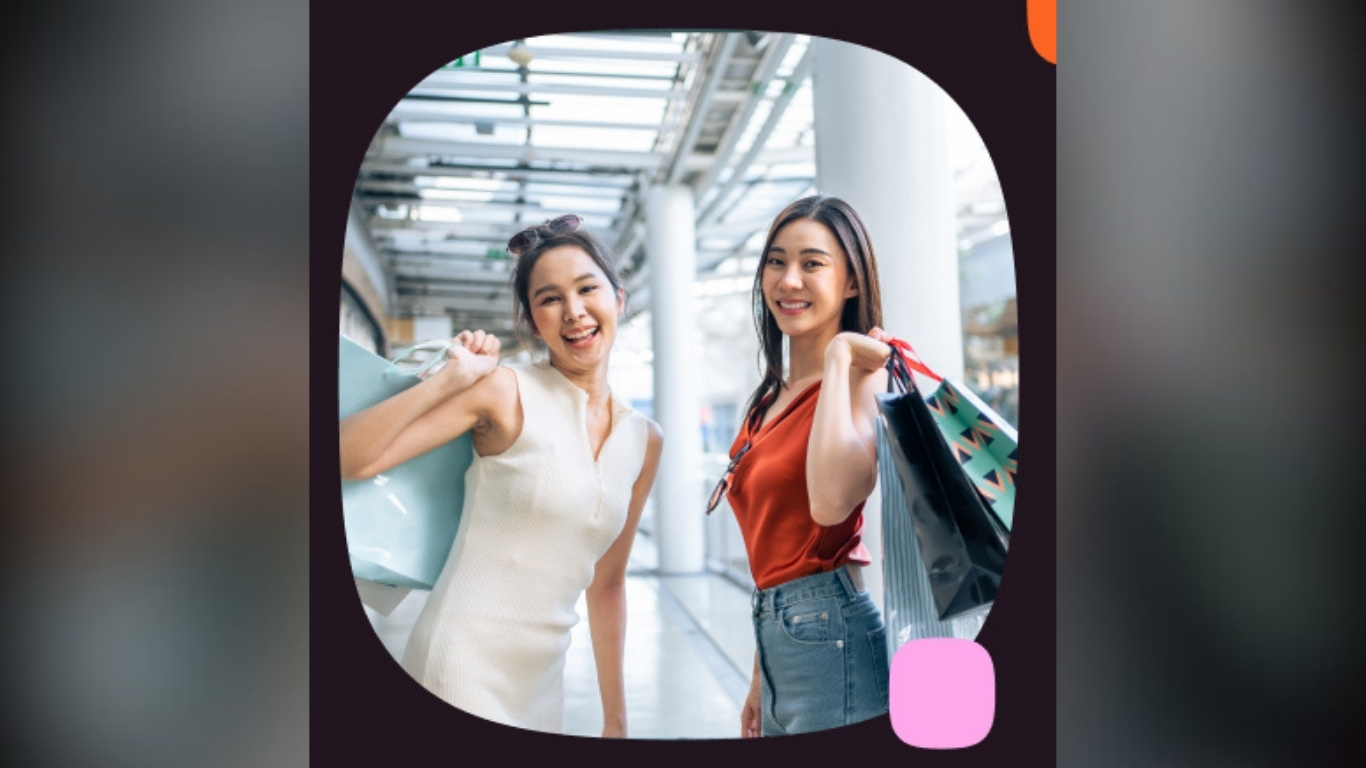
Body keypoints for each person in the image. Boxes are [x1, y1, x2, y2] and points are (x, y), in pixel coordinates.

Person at [339, 214, 664, 736]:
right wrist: (451, 379)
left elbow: (607, 585)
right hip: (459, 668)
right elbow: (348, 456)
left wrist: (616, 721)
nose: (574, 311)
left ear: (618, 299)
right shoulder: (505, 391)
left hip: (542, 685)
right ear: (533, 322)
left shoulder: (644, 439)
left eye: (587, 289)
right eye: (550, 298)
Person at [712, 195, 893, 737]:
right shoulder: (768, 397)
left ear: (852, 282)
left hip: (833, 635)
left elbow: (832, 502)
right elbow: (774, 551)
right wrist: (760, 673)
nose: (789, 280)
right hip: (779, 637)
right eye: (776, 261)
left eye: (812, 263)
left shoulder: (864, 380)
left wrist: (839, 357)